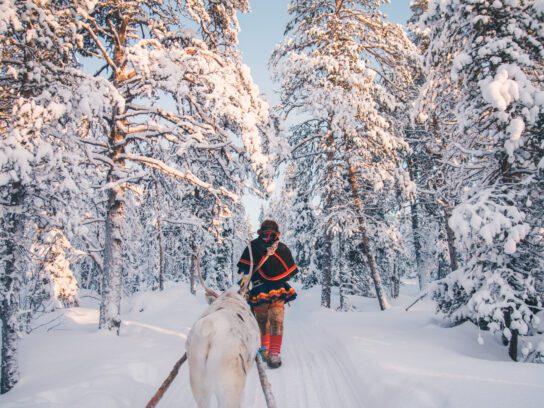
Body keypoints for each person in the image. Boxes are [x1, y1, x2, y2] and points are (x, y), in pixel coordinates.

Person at [237, 220, 298, 368]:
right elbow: (289, 273)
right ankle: (274, 354)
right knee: (276, 322)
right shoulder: (282, 248)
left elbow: (245, 271)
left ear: (261, 231)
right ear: (277, 232)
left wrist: (243, 285)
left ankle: (265, 350)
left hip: (259, 291)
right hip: (278, 291)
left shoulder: (253, 246)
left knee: (263, 322)